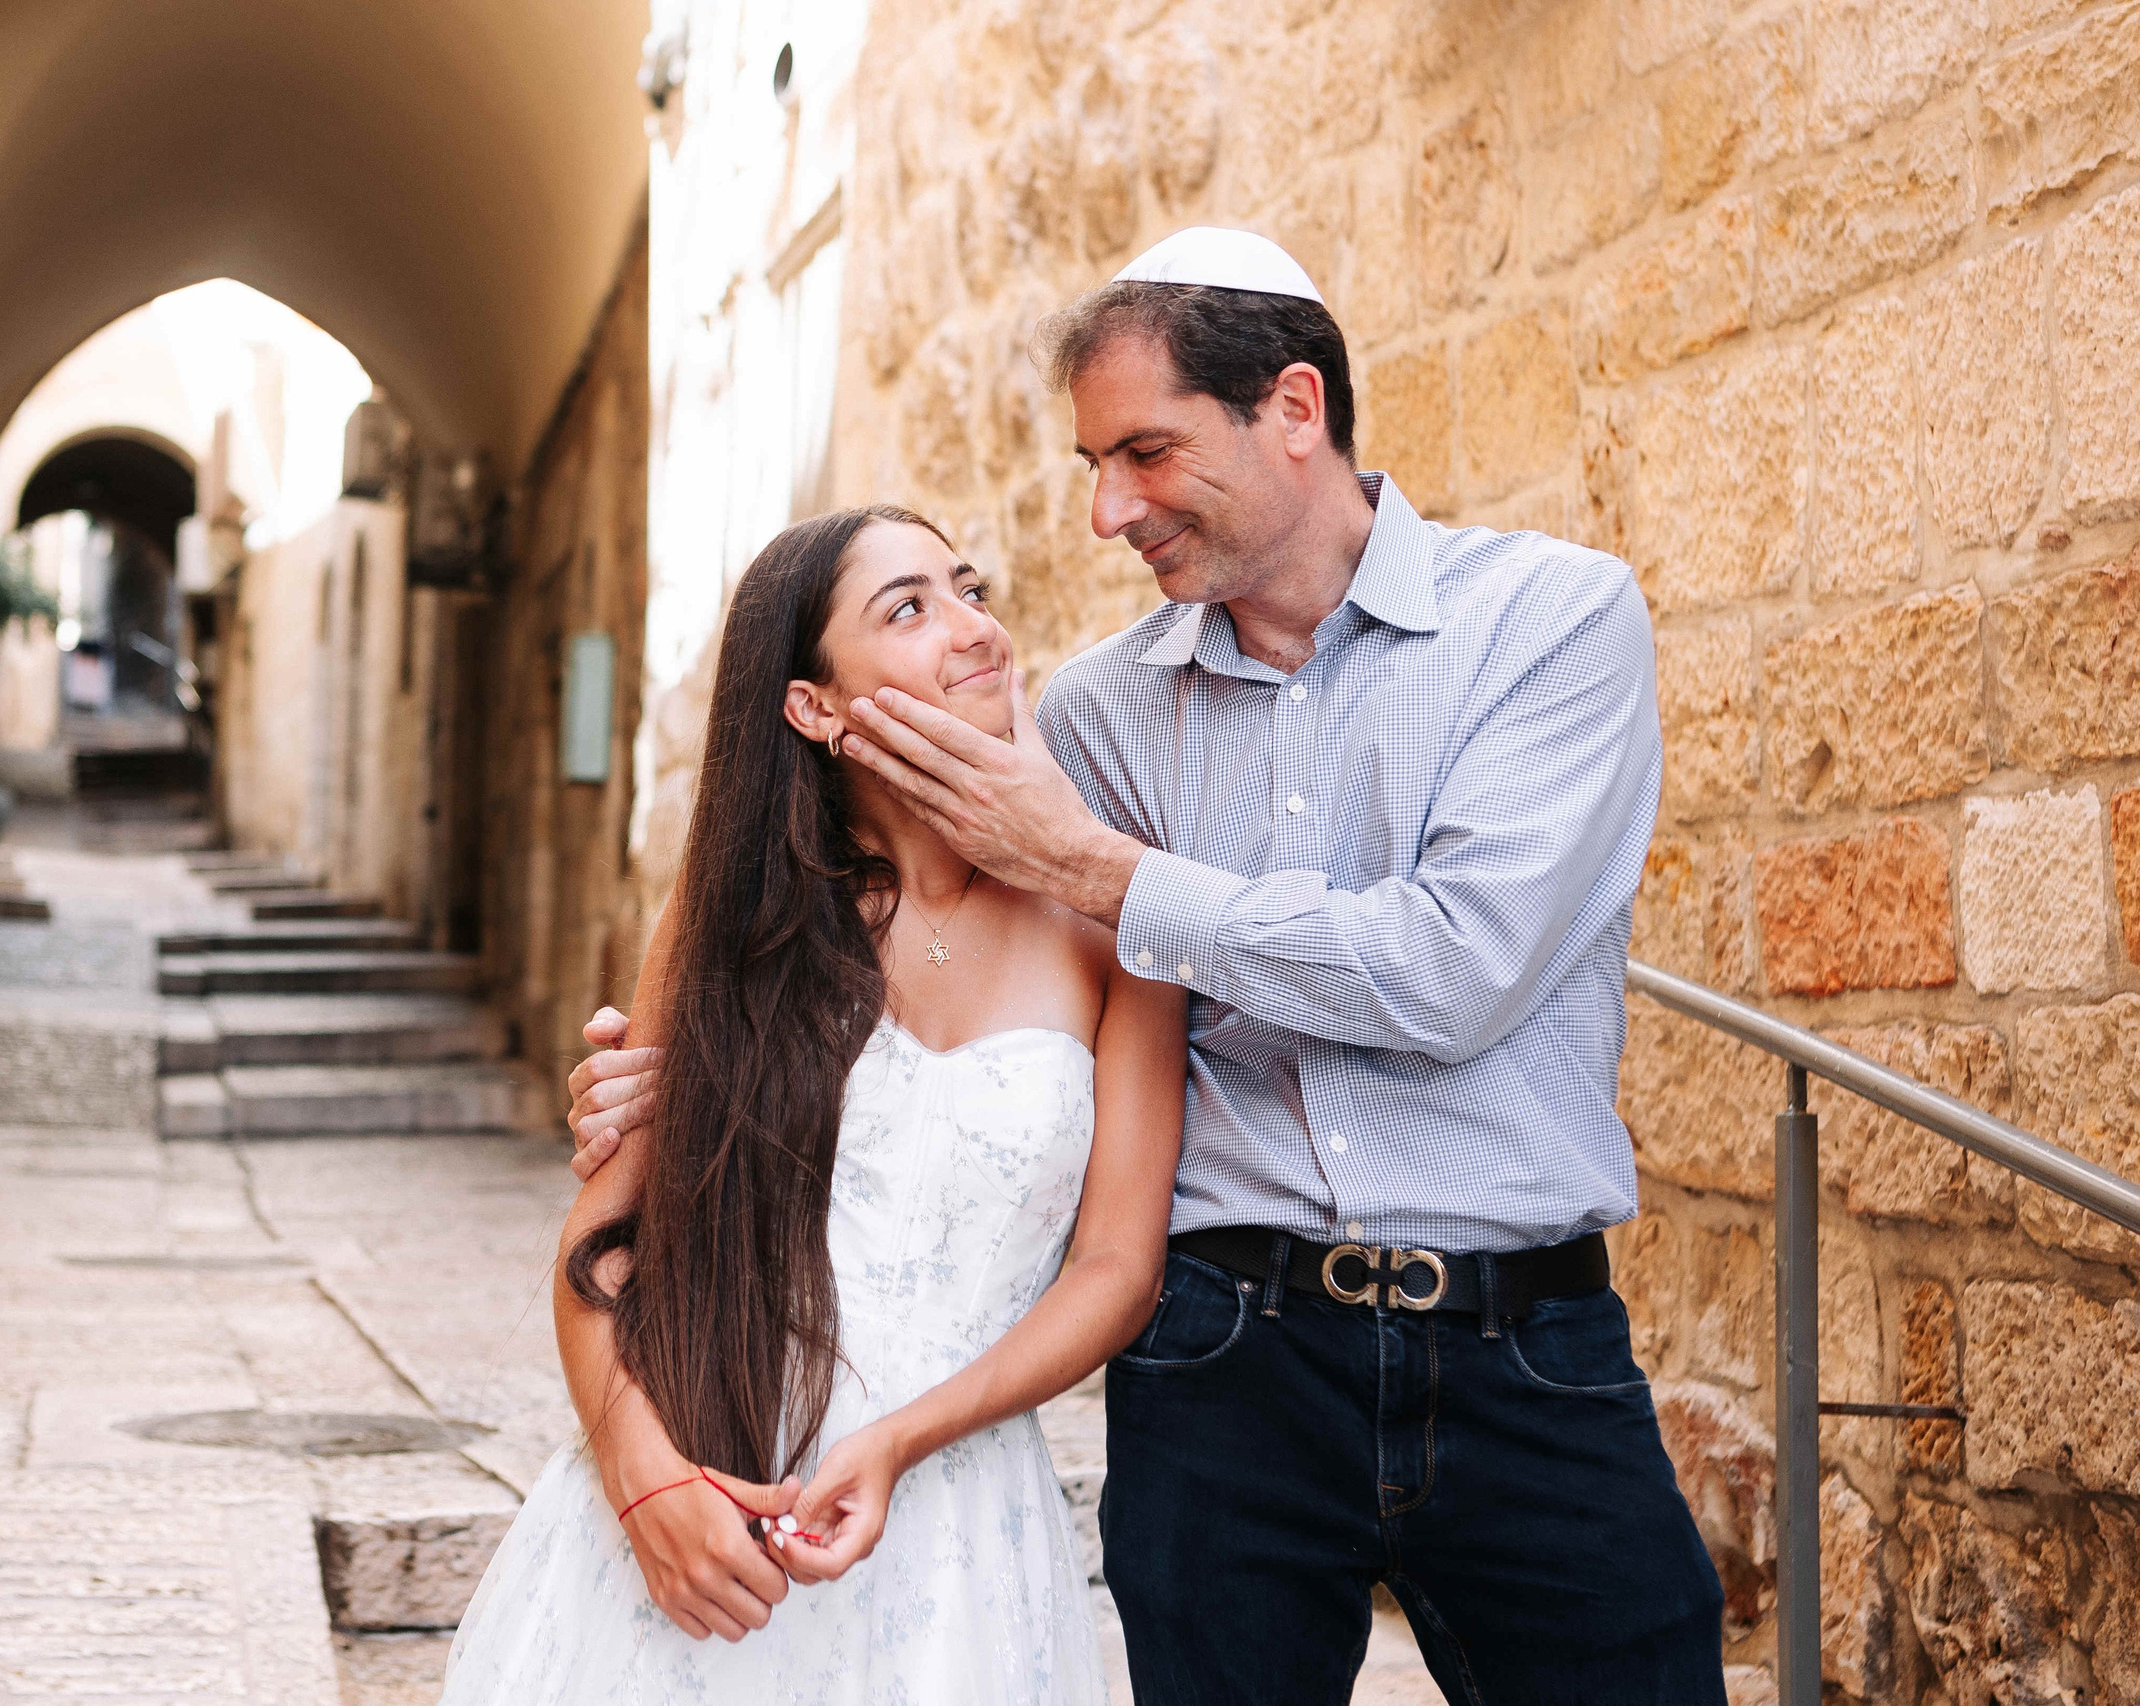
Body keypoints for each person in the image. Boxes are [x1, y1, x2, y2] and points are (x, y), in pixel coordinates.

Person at [568, 229, 1728, 1704]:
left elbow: (1455, 972)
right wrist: (689, 1063)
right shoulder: (1104, 713)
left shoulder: (1549, 622)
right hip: (1222, 1361)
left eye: (1147, 453)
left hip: (1525, 1337)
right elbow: (913, 922)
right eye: (1093, 464)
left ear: (1293, 409)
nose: (1111, 511)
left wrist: (1102, 871)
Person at [442, 505, 1186, 1703]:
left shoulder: (1114, 923)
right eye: (908, 608)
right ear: (814, 706)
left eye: (967, 587)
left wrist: (901, 1438)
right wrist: (645, 1482)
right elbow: (602, 1245)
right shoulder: (731, 922)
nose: (972, 627)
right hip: (708, 1482)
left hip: (955, 1526)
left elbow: (1115, 1266)